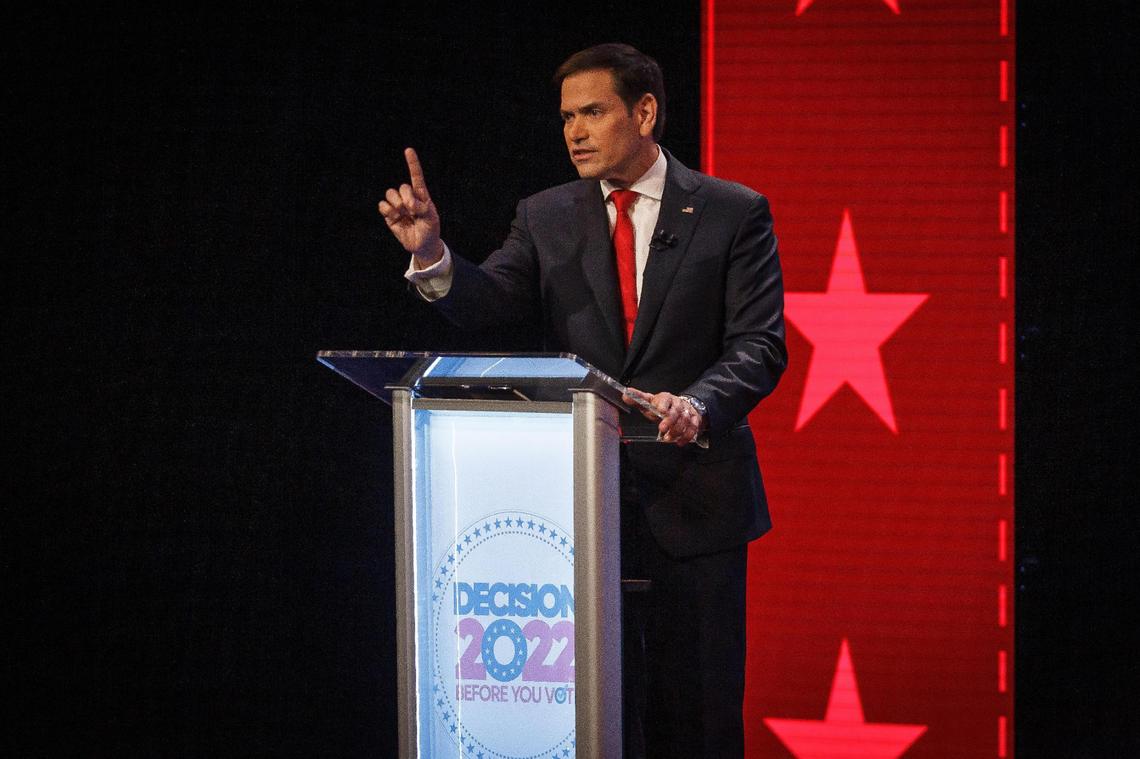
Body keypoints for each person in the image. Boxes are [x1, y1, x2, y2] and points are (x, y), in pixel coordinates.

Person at [379, 43, 786, 758]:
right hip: (581, 513)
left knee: (698, 721)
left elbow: (759, 345)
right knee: (597, 721)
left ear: (645, 111)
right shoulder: (547, 215)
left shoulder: (731, 212)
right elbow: (488, 303)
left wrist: (697, 403)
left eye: (593, 112)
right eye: (567, 116)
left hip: (696, 511)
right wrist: (433, 257)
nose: (574, 131)